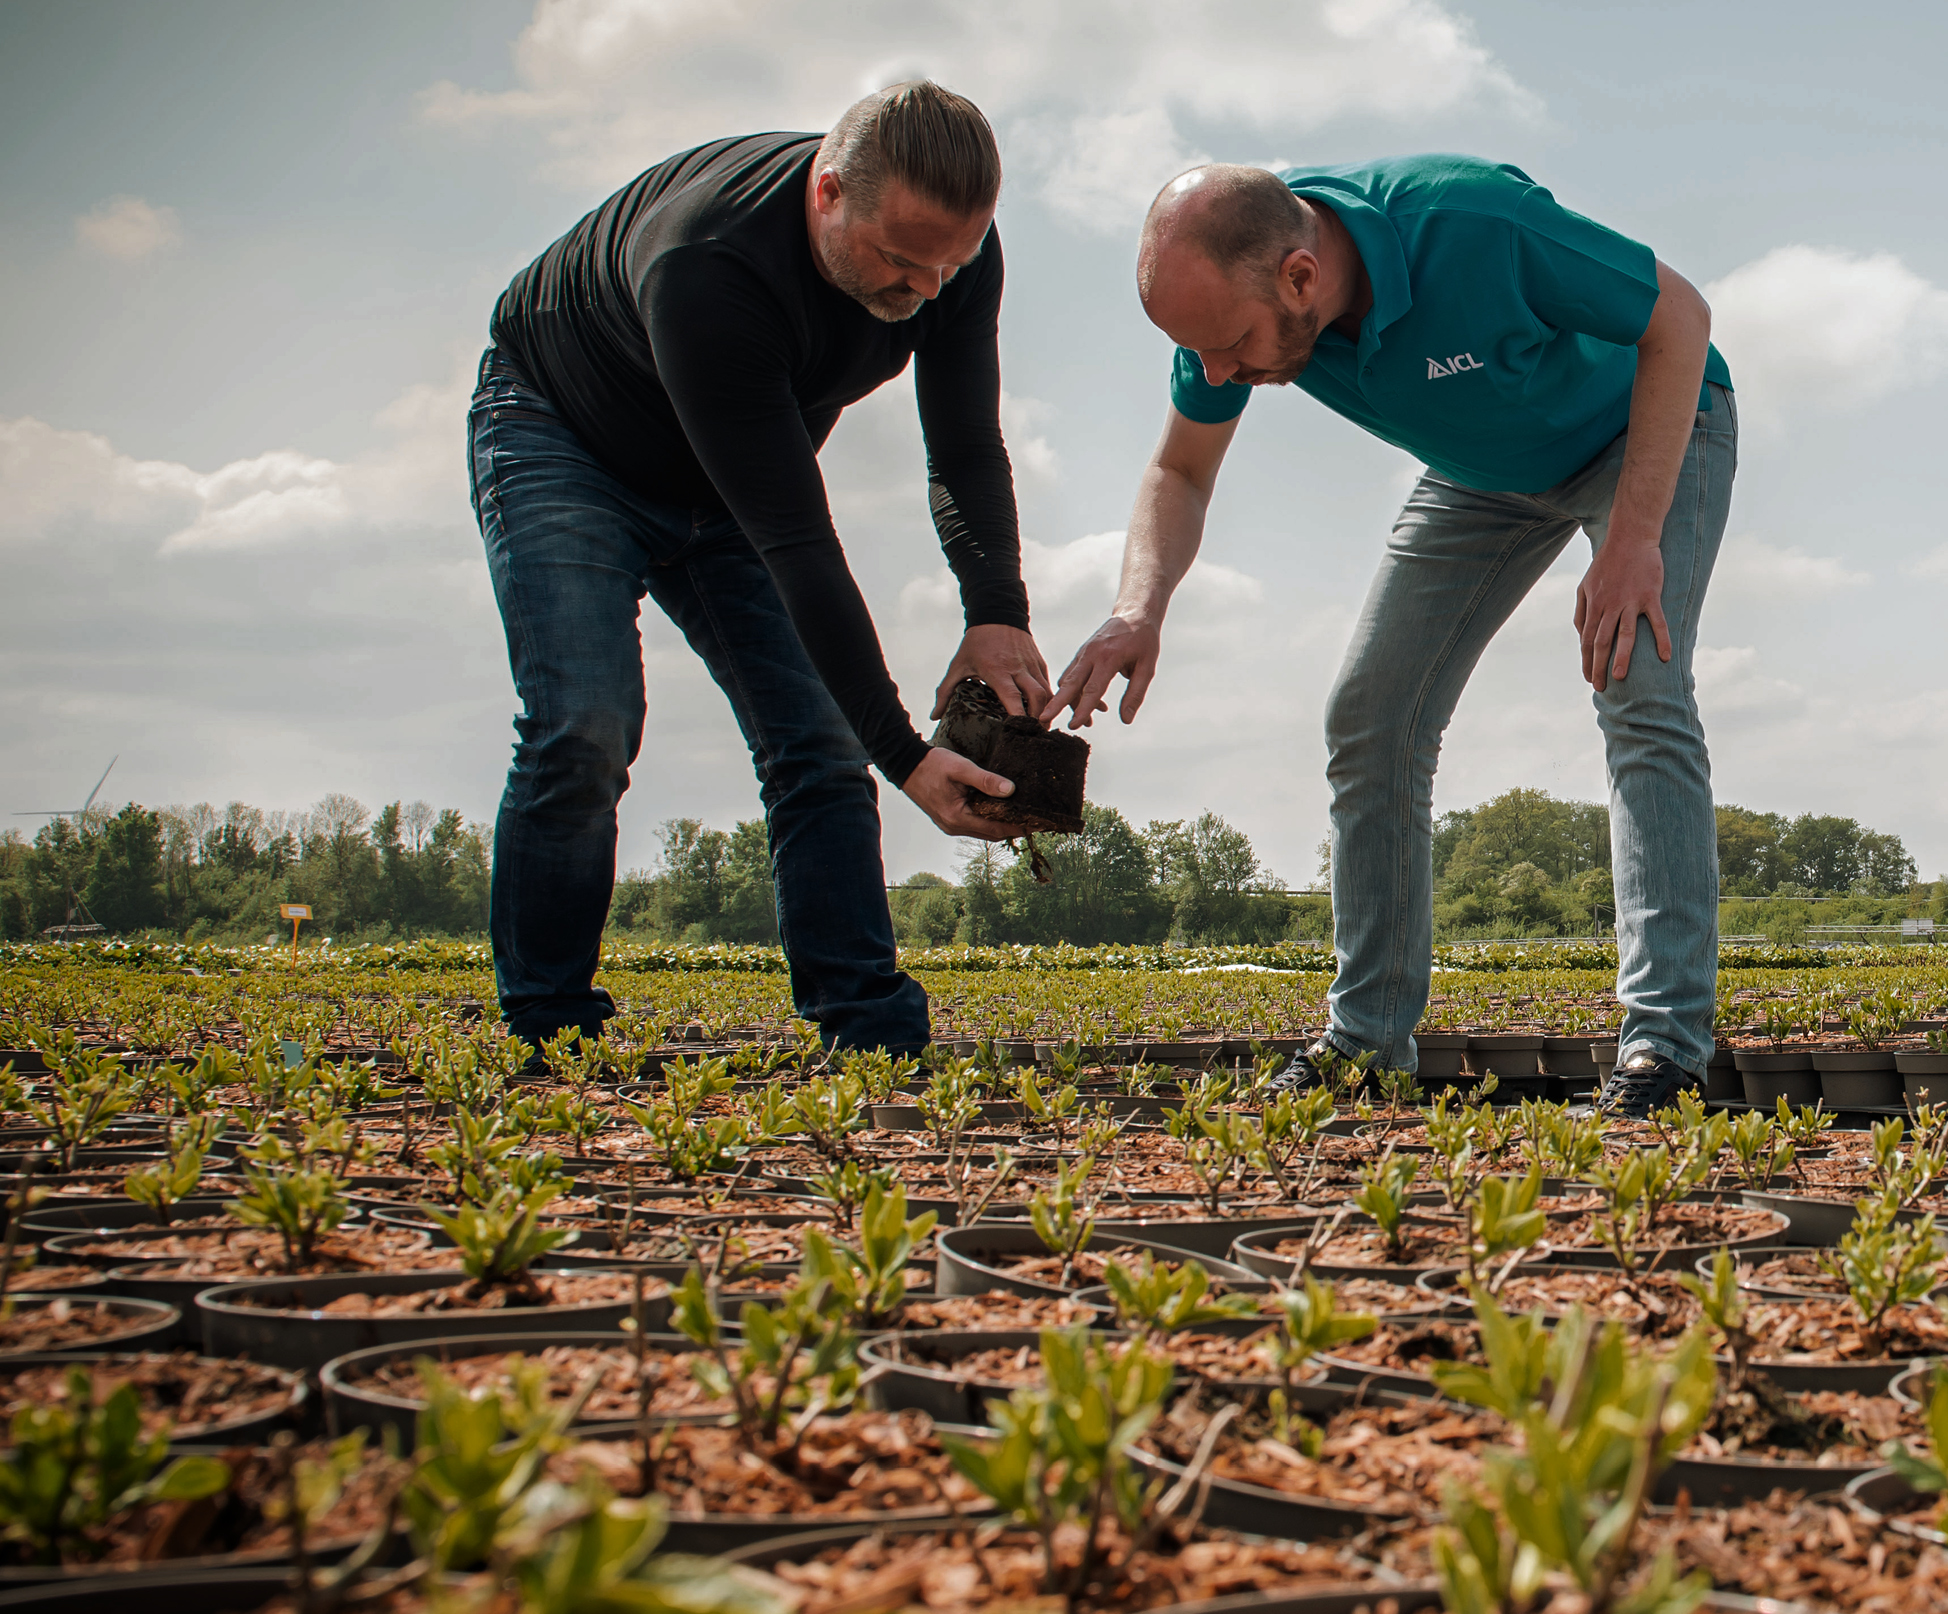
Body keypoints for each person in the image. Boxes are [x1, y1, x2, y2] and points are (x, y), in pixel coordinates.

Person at [1051, 156, 1733, 1118]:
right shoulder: (1222, 309)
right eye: (1199, 351)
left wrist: (1631, 540)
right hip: (1480, 472)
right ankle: (1367, 1042)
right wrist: (1139, 607)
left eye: (1233, 345)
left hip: (1642, 431)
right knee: (1369, 716)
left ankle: (1664, 1050)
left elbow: (1681, 319)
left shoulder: (1470, 223)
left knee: (1637, 679)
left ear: (1299, 276)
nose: (1218, 372)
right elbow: (1182, 471)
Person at [473, 81, 1046, 1055]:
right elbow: (797, 543)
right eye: (901, 263)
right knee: (585, 723)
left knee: (819, 745)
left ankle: (865, 1031)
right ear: (827, 192)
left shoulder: (952, 257)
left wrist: (996, 609)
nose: (923, 292)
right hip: (565, 437)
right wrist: (905, 755)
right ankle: (551, 1033)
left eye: (947, 266)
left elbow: (963, 445)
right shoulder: (710, 262)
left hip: (728, 475)